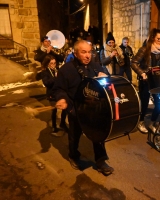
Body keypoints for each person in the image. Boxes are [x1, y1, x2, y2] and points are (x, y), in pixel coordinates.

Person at [52, 40, 114, 175]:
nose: (88, 55)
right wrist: (62, 98)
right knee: (74, 135)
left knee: (98, 135)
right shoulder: (66, 69)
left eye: (89, 52)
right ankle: (73, 155)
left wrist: (105, 78)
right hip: (76, 108)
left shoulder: (96, 66)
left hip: (94, 109)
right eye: (83, 52)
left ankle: (101, 161)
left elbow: (108, 82)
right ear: (75, 53)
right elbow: (59, 88)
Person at [131, 28, 160, 134]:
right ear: (152, 38)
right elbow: (133, 63)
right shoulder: (145, 49)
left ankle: (152, 122)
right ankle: (140, 122)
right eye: (158, 39)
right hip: (146, 80)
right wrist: (142, 73)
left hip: (157, 80)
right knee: (145, 102)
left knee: (159, 103)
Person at [40, 55, 68, 136]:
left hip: (59, 92)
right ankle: (54, 126)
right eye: (51, 63)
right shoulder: (44, 72)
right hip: (51, 94)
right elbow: (46, 83)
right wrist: (55, 77)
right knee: (54, 110)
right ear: (47, 64)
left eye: (54, 63)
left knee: (64, 108)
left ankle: (63, 123)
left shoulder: (57, 70)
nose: (53, 65)